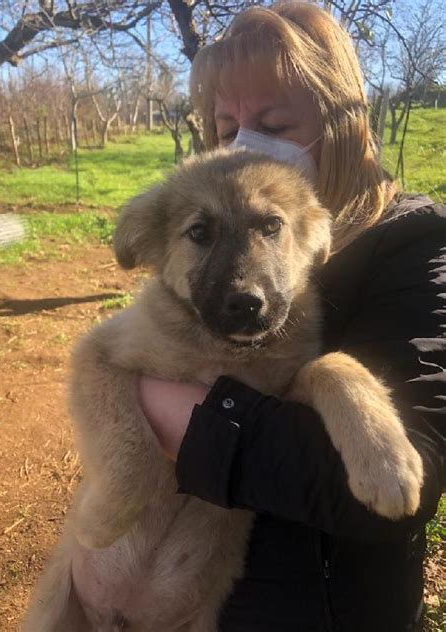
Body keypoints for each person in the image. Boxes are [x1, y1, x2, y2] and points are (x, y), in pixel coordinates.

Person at [137, 3, 445, 631]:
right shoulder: (216, 244)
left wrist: (162, 406)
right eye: (227, 130)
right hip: (199, 592)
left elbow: (393, 489)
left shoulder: (414, 245)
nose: (245, 148)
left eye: (273, 122)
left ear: (342, 124)